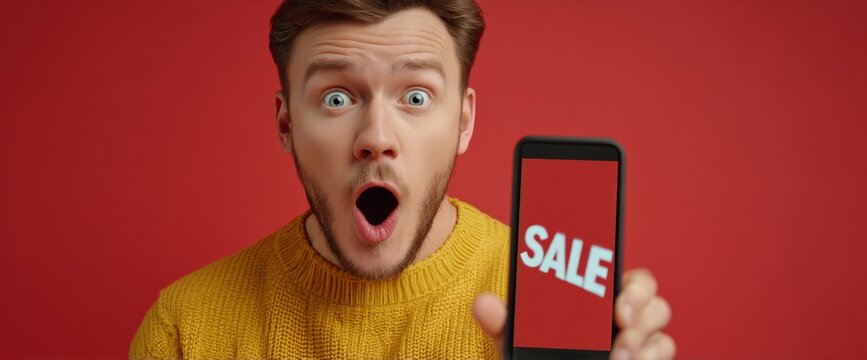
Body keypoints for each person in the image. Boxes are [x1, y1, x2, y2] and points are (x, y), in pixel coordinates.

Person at [130, 1, 675, 359]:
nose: (376, 136)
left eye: (416, 97)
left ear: (463, 122)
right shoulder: (185, 328)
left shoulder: (553, 306)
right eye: (337, 98)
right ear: (286, 123)